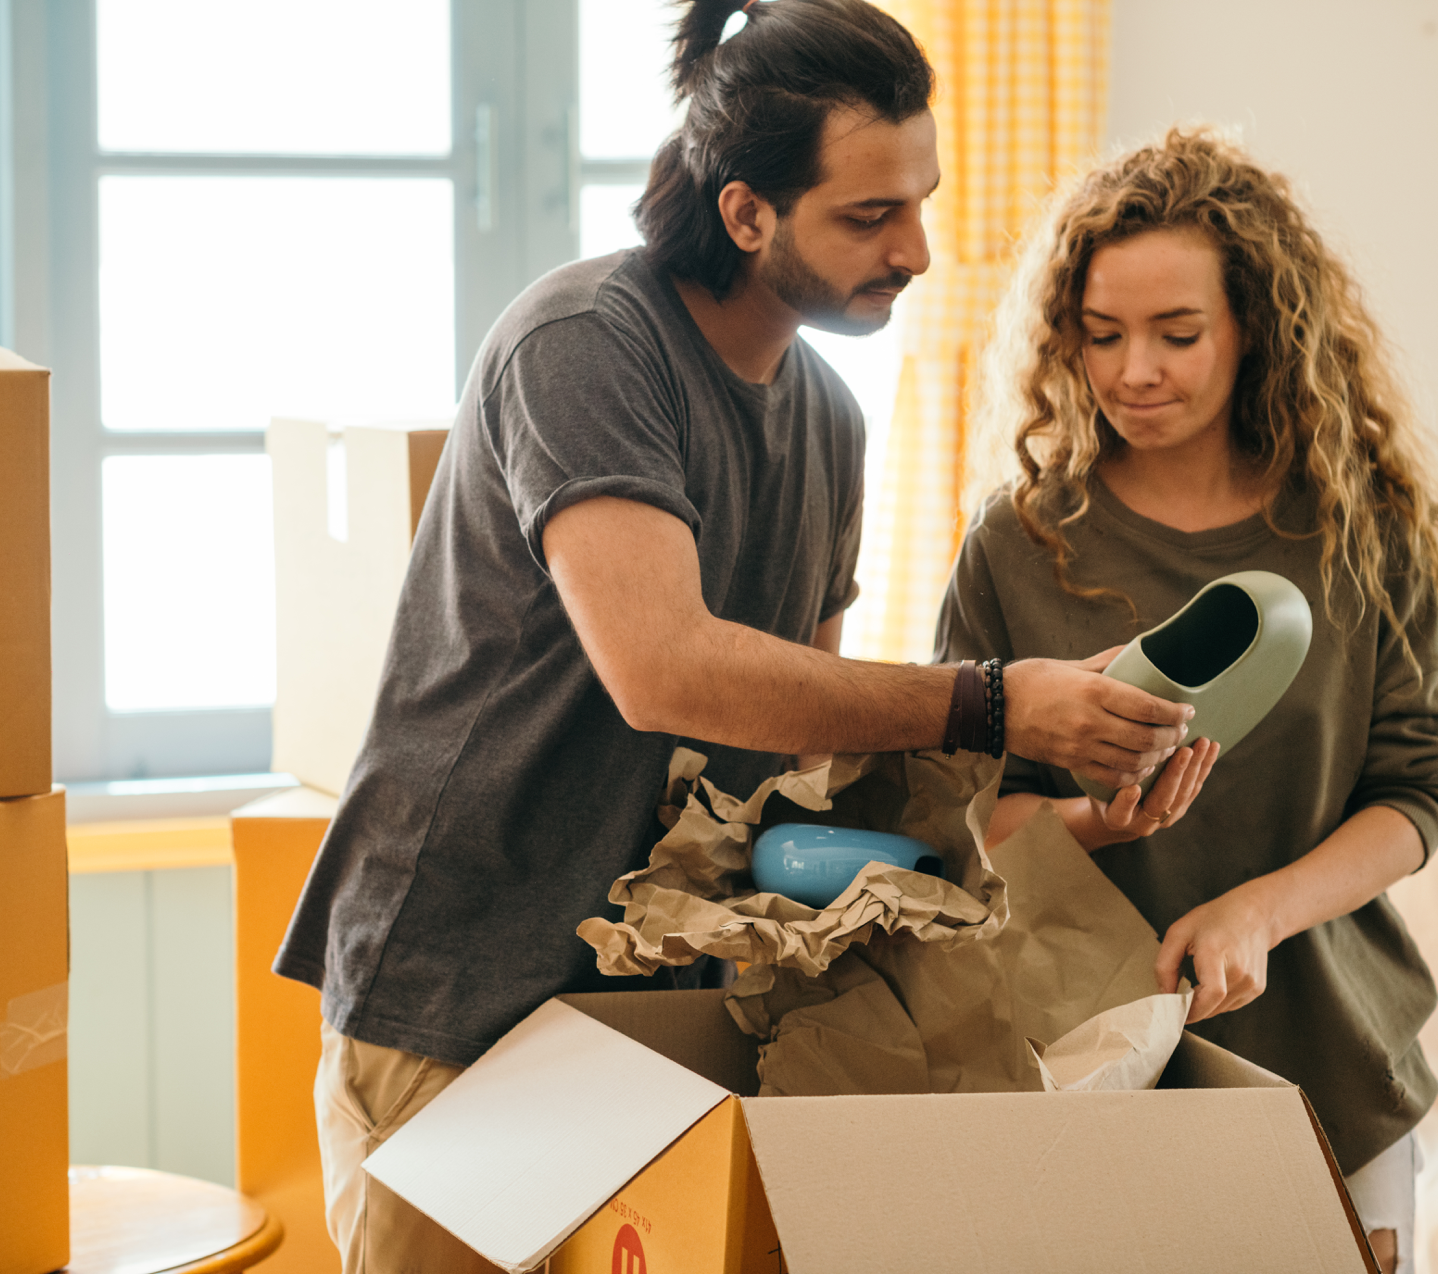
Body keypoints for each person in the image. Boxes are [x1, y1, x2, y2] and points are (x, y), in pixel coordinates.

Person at [275, 3, 1193, 1270]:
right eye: (868, 217)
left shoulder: (827, 422)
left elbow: (796, 748)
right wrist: (991, 702)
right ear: (746, 211)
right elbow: (667, 670)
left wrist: (1067, 802)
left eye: (921, 201)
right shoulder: (588, 343)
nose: (918, 249)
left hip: (652, 1008)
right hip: (461, 982)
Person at [937, 127, 1438, 1274]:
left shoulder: (1362, 528)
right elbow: (954, 824)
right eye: (1100, 334)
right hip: (1076, 1066)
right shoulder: (1016, 543)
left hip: (1332, 1064)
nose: (1132, 372)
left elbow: (1416, 792)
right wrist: (1089, 823)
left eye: (1177, 333)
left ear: (1254, 327)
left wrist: (1258, 910)